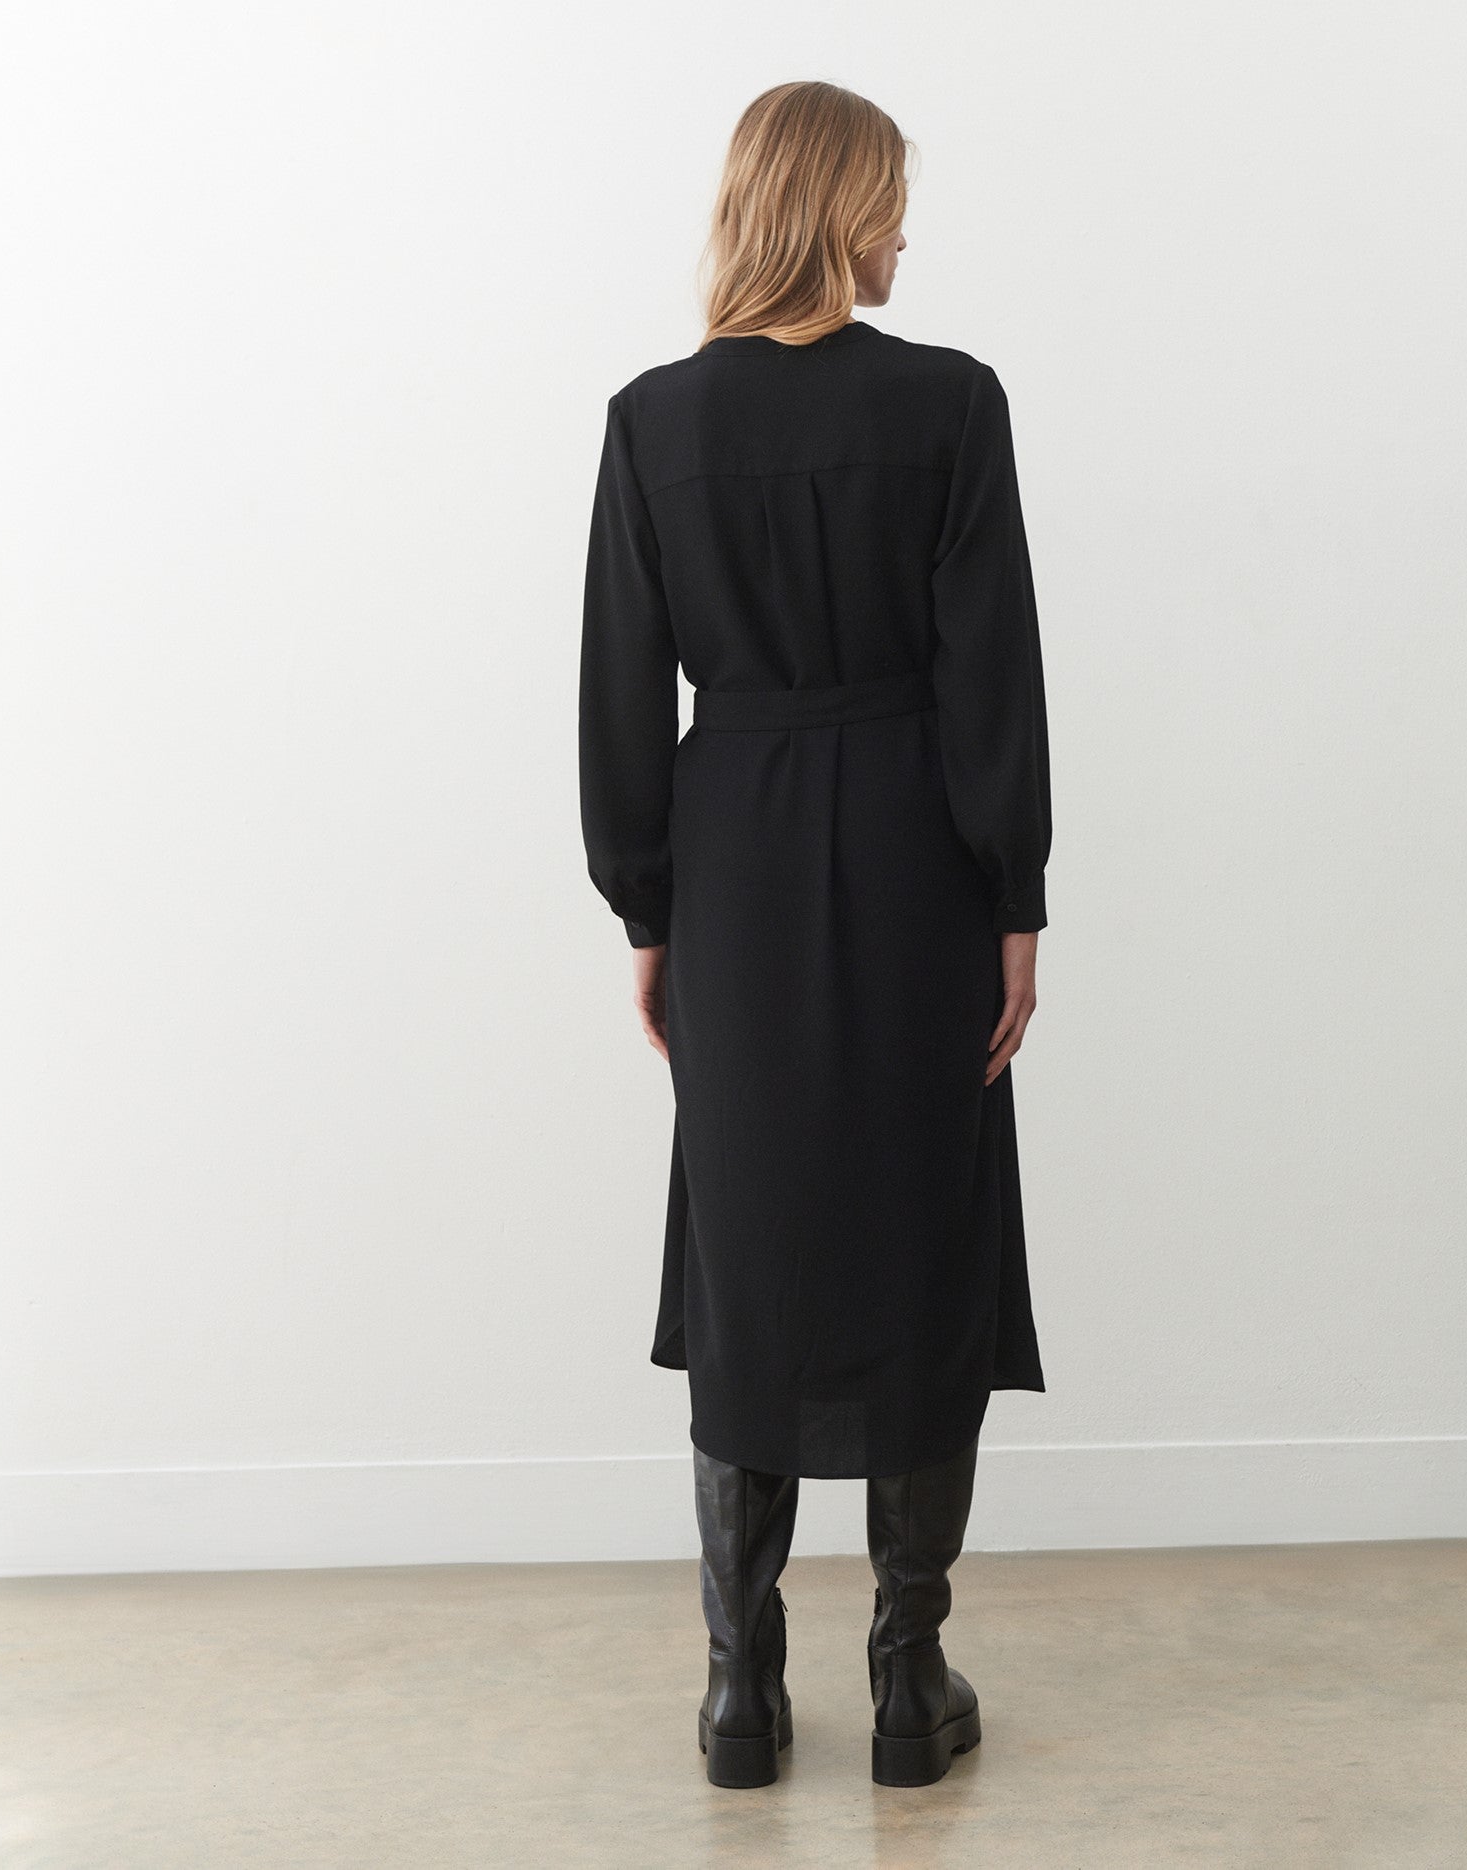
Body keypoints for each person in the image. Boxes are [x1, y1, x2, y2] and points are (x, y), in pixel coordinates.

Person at [578, 80, 1051, 1790]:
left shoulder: (655, 422)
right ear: (841, 206)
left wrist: (649, 905)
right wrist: (1015, 896)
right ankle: (909, 1681)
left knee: (749, 1248)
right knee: (927, 1233)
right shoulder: (952, 403)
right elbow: (993, 674)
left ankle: (740, 1689)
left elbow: (619, 699)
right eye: (893, 197)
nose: (907, 228)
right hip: (920, 862)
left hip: (738, 872)